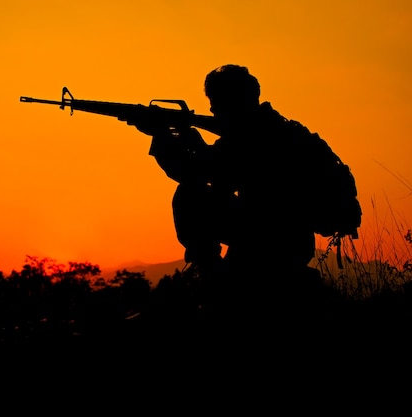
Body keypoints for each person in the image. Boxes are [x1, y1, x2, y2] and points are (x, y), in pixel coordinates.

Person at [129, 64, 321, 313]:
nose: (211, 109)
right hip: (290, 238)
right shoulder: (275, 128)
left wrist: (161, 137)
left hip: (270, 237)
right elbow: (219, 171)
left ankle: (212, 282)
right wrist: (191, 144)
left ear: (234, 99)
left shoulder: (253, 134)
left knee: (189, 196)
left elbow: (195, 174)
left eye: (216, 101)